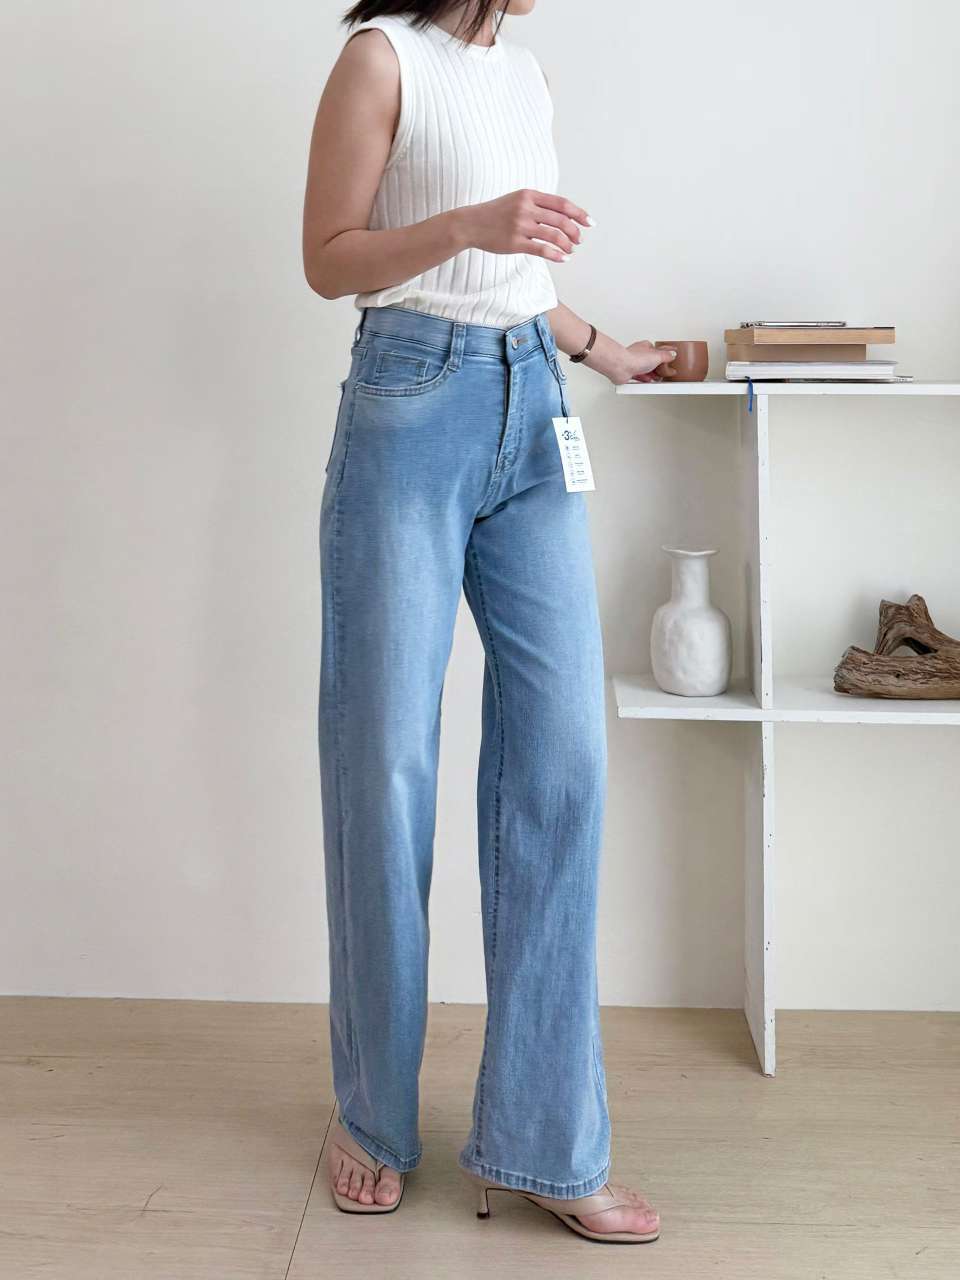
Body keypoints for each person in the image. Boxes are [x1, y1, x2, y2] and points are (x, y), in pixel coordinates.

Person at [302, 0, 670, 1244]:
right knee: (386, 765)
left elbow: (516, 274)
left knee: (563, 760)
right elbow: (330, 258)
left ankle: (547, 1140)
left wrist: (601, 347)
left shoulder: (525, 73)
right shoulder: (380, 61)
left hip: (533, 393)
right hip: (410, 402)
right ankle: (372, 1114)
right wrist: (469, 221)